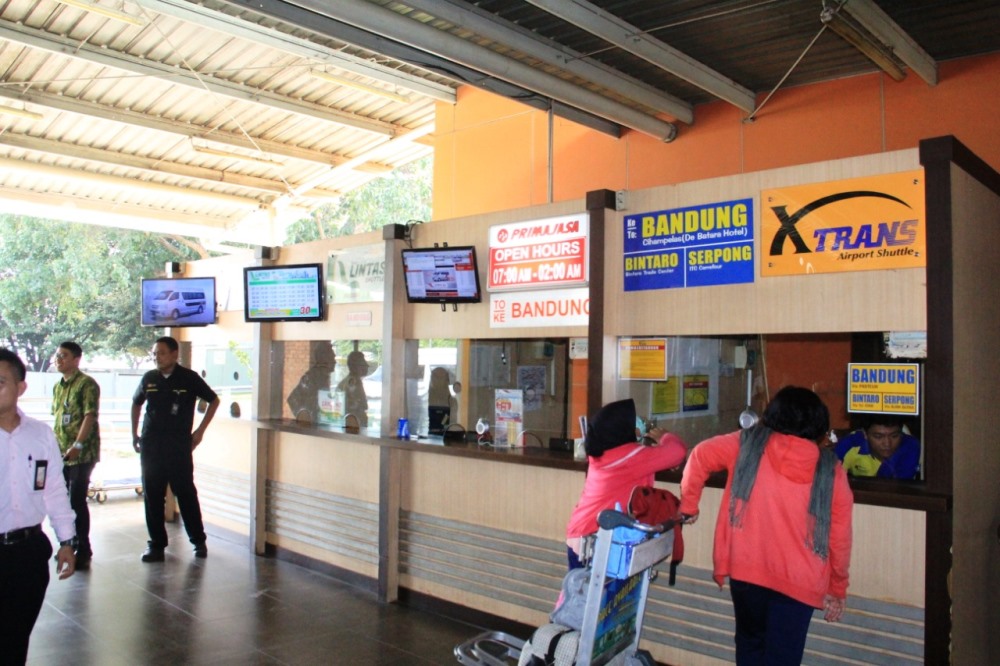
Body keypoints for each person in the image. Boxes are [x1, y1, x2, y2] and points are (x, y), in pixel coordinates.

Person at [680, 386, 854, 666]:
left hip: (747, 573)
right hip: (799, 581)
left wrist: (689, 505)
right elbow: (840, 539)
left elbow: (699, 455)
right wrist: (837, 587)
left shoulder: (746, 443)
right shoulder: (831, 470)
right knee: (783, 657)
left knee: (749, 647)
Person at [0, 348, 77, 664]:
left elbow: (54, 491)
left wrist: (67, 541)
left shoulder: (40, 435)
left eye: (0, 382)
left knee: (16, 640)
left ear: (20, 388)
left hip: (28, 553)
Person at [565, 398, 687, 569]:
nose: (639, 426)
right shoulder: (631, 456)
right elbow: (677, 452)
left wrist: (665, 459)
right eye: (634, 422)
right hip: (595, 539)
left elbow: (653, 460)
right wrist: (665, 436)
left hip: (585, 534)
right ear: (621, 430)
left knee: (586, 593)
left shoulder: (603, 453)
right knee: (588, 595)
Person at [131, 337, 220, 562]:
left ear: (174, 354)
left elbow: (213, 400)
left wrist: (199, 432)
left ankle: (198, 541)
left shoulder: (188, 378)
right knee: (152, 496)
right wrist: (134, 433)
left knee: (186, 493)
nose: (157, 357)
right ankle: (156, 545)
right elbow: (136, 403)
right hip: (151, 446)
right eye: (154, 354)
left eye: (161, 353)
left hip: (178, 446)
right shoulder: (149, 378)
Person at [51, 341, 101, 570]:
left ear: (76, 359)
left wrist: (78, 445)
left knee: (76, 500)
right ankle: (67, 545)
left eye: (64, 355)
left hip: (82, 454)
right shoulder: (59, 386)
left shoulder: (87, 384)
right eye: (57, 355)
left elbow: (89, 416)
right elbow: (59, 419)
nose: (58, 359)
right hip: (61, 452)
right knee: (61, 500)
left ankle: (84, 547)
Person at [835, 415, 920, 479]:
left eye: (894, 436)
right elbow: (830, 480)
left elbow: (896, 489)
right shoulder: (849, 445)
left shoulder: (910, 446)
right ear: (865, 434)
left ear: (901, 434)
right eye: (878, 436)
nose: (887, 444)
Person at [287, 341, 335, 423]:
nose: (335, 362)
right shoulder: (311, 377)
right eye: (332, 358)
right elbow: (292, 399)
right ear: (324, 359)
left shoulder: (323, 377)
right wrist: (305, 418)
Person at [337, 350, 369, 427]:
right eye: (363, 363)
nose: (366, 365)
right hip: (353, 425)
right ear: (355, 366)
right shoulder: (353, 383)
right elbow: (361, 406)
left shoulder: (346, 381)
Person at [427, 367, 457, 435]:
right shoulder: (426, 398)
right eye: (435, 377)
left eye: (442, 378)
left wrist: (443, 424)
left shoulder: (452, 400)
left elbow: (453, 421)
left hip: (446, 436)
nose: (438, 381)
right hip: (428, 435)